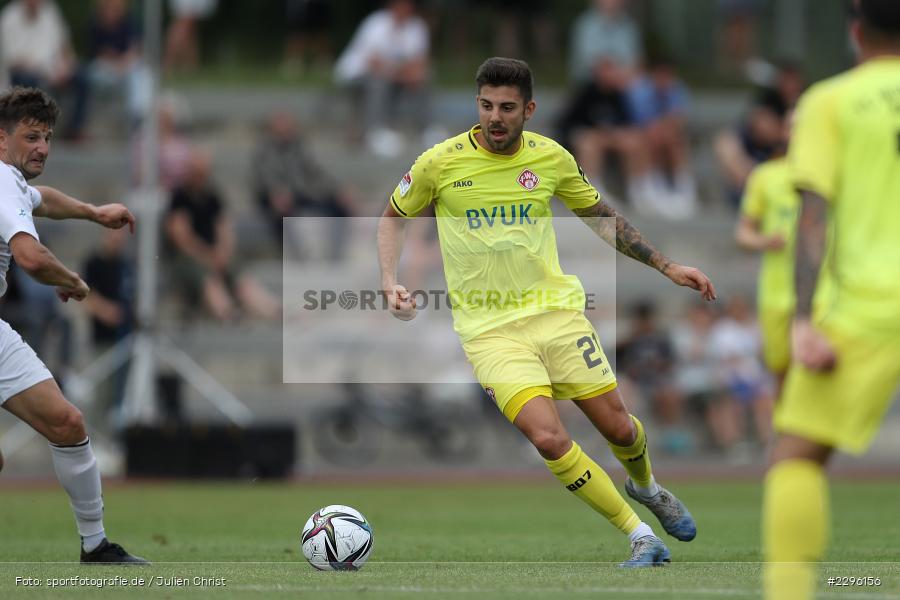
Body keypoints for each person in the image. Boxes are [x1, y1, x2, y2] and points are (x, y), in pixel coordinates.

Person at [378, 57, 717, 567]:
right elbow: (392, 217)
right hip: (489, 331)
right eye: (487, 105)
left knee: (620, 429)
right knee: (549, 438)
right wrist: (389, 282)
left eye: (507, 108)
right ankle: (640, 535)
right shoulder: (439, 163)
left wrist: (666, 266)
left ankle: (647, 487)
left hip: (557, 317)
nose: (495, 117)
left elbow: (603, 218)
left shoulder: (552, 159)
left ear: (529, 110)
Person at [762, 2, 900, 598]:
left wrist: (801, 319)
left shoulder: (830, 100)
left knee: (796, 456)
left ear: (854, 30)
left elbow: (811, 217)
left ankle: (792, 591)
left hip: (868, 305)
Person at [0, 86, 146, 563]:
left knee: (67, 422)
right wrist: (75, 283)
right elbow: (30, 257)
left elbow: (41, 200)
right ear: (2, 141)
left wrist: (92, 212)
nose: (42, 147)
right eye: (30, 136)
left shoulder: (13, 182)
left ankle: (95, 545)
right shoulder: (1, 178)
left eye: (47, 137)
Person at [165, 148, 280, 321]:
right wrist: (208, 256)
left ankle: (275, 311)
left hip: (216, 253)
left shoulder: (212, 195)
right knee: (210, 282)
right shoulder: (179, 198)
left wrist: (223, 252)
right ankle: (229, 315)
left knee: (242, 280)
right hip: (192, 257)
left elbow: (224, 228)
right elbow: (181, 237)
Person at [734, 112, 796, 394]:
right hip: (778, 294)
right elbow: (743, 234)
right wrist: (765, 241)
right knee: (781, 374)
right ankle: (783, 435)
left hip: (826, 294)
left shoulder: (835, 173)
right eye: (794, 126)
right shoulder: (765, 175)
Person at [334, 0, 432, 156]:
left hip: (394, 75)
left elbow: (419, 61)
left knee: (424, 77)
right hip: (356, 73)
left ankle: (427, 128)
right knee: (378, 81)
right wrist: (400, 74)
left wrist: (409, 74)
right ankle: (375, 132)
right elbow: (372, 62)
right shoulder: (376, 23)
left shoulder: (416, 26)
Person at [0, 0, 89, 140]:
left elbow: (64, 45)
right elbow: (13, 61)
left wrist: (66, 65)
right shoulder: (9, 18)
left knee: (82, 77)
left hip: (54, 69)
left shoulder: (50, 11)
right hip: (25, 72)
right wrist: (44, 71)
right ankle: (35, 131)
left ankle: (74, 129)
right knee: (28, 80)